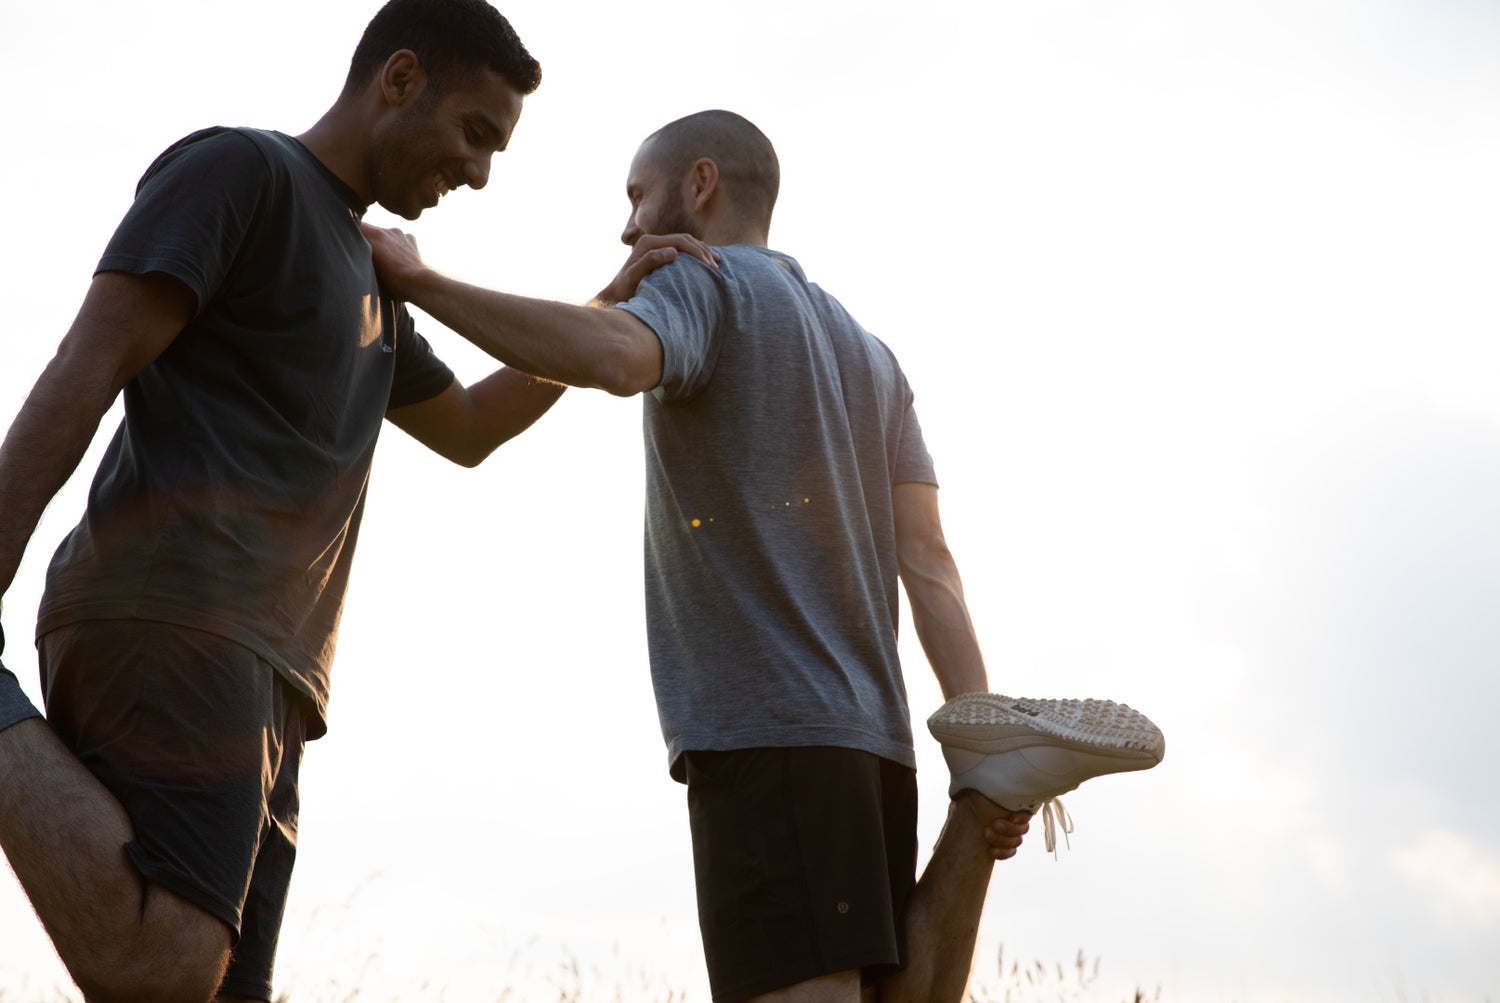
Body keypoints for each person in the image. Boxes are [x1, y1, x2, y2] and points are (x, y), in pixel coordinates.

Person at [361, 109, 1166, 1003]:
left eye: (636, 195)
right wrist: (973, 730)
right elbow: (931, 565)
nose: (628, 227)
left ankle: (991, 783)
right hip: (873, 745)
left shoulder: (697, 284)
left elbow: (619, 361)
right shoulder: (871, 353)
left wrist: (421, 280)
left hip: (767, 737)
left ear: (700, 183)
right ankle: (984, 794)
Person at [0, 4, 711, 1001]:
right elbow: (87, 364)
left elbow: (467, 425)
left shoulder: (373, 270)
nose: (479, 173)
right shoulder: (240, 173)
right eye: (476, 135)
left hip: (277, 679)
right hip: (173, 614)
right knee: (161, 970)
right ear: (401, 79)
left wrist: (612, 304)